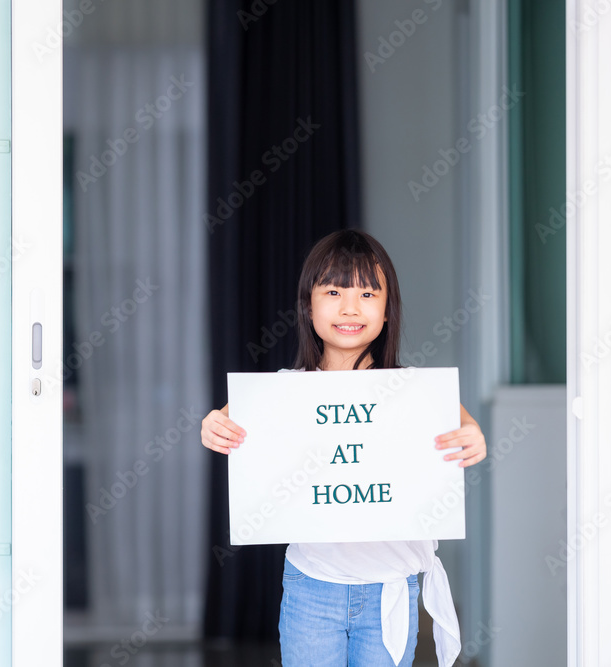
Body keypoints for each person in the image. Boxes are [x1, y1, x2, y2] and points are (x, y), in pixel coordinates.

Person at [200, 229, 487, 667]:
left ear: (388, 310)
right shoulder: (284, 392)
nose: (350, 307)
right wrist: (213, 425)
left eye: (368, 293)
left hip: (390, 590)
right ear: (308, 305)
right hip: (312, 587)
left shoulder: (414, 392)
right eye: (333, 291)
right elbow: (227, 418)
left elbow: (464, 426)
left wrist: (473, 437)